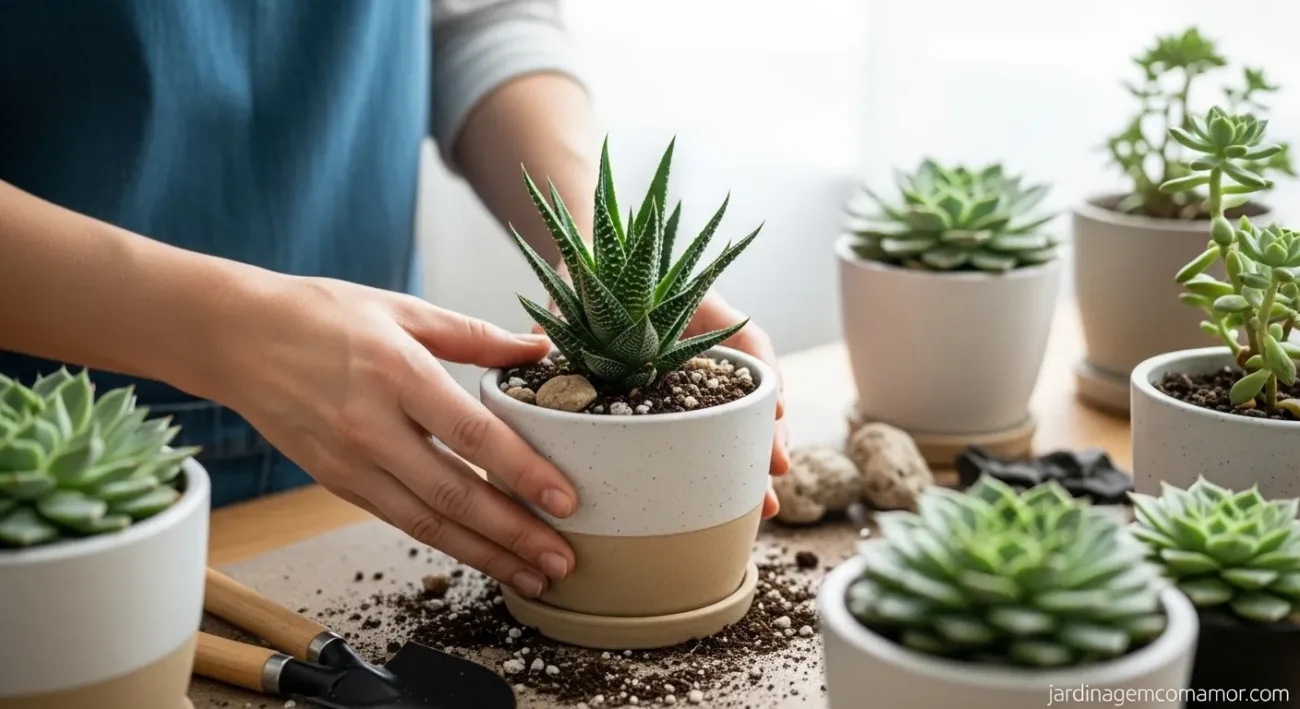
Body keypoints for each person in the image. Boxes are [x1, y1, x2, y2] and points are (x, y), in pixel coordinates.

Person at [0, 0, 789, 600]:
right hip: (49, 487)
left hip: (383, 464)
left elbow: (476, 20)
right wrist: (222, 327)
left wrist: (602, 267)